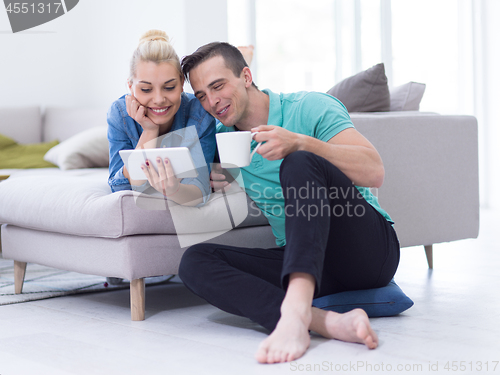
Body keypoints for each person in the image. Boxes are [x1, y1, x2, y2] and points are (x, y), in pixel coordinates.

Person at [178, 42, 400, 364]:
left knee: (298, 162)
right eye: (201, 95)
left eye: (218, 85)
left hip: (366, 251)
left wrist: (299, 143)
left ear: (246, 75)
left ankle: (295, 313)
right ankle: (326, 322)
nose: (212, 101)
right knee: (194, 261)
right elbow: (183, 162)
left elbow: (374, 171)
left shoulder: (309, 107)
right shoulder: (222, 138)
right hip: (306, 260)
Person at [107, 30, 216, 206]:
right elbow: (120, 188)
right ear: (130, 87)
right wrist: (150, 131)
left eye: (169, 87)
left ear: (181, 83)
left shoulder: (199, 114)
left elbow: (200, 192)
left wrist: (174, 190)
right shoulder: (120, 114)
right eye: (146, 89)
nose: (158, 100)